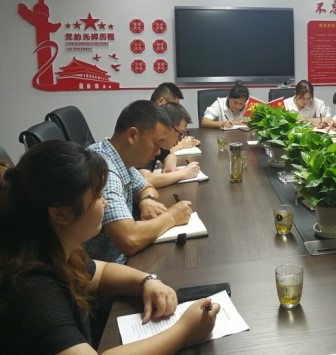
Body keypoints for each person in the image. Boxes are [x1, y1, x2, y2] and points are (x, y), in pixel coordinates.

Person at [0, 140, 219, 354]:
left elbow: (101, 272)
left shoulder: (50, 246)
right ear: (61, 214)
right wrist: (184, 331)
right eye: (98, 196)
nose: (105, 202)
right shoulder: (32, 288)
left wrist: (147, 281)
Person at [85, 100, 193, 264]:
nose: (158, 152)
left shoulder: (118, 155)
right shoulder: (104, 170)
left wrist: (146, 200)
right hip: (104, 269)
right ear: (133, 136)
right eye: (156, 144)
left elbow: (146, 186)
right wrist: (172, 217)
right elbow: (129, 239)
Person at [139, 102, 201, 188]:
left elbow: (169, 154)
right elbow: (144, 180)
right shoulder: (145, 143)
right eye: (180, 134)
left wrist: (169, 163)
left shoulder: (158, 145)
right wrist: (184, 173)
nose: (180, 139)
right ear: (168, 127)